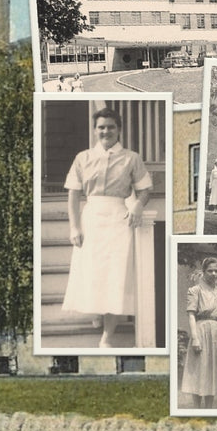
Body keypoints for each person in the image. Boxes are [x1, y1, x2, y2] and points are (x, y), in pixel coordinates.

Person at [62, 107, 153, 348]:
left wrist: (137, 206)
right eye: (101, 127)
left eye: (111, 127)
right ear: (94, 130)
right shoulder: (83, 158)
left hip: (118, 219)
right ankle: (96, 311)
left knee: (115, 277)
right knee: (93, 272)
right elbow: (73, 195)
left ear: (119, 130)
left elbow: (144, 190)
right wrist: (74, 227)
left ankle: (107, 337)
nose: (106, 131)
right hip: (91, 218)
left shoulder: (131, 158)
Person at [181, 257, 217, 409]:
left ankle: (209, 409)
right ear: (203, 271)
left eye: (216, 270)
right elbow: (191, 315)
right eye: (210, 271)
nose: (213, 274)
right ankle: (196, 409)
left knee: (212, 370)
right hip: (201, 331)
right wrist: (195, 338)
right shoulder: (195, 290)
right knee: (199, 369)